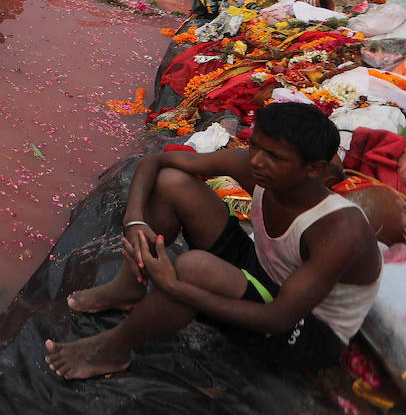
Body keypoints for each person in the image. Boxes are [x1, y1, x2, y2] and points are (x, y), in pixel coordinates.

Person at [46, 101, 383, 380]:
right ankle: (128, 288)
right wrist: (133, 219)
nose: (256, 161)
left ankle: (113, 349)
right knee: (172, 183)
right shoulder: (258, 170)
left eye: (275, 157)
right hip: (263, 271)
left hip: (306, 328)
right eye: (255, 146)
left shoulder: (338, 231)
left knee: (192, 269)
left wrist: (175, 287)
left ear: (313, 169)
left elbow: (279, 318)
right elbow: (156, 160)